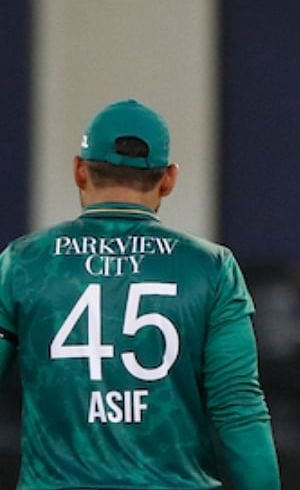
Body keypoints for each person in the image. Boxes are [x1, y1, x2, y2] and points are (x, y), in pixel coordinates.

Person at [0, 100, 280, 489]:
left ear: (79, 170)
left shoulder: (22, 263)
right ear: (168, 179)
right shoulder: (212, 268)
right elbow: (239, 409)